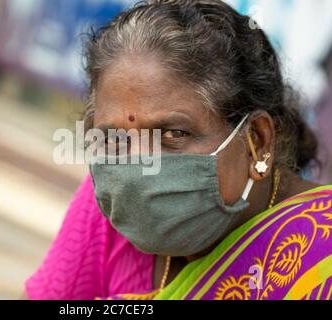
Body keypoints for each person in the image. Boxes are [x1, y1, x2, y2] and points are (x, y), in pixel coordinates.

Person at [25, 0, 332, 300]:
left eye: (173, 133)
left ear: (258, 140)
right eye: (116, 139)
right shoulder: (111, 204)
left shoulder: (321, 252)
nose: (137, 168)